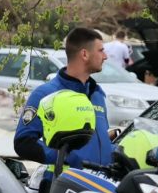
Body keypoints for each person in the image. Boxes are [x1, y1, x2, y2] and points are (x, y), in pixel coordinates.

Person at [14, 27, 115, 177]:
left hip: (100, 186)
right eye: (101, 51)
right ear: (85, 54)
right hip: (63, 184)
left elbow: (96, 143)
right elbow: (23, 143)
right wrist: (66, 157)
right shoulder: (46, 94)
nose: (105, 56)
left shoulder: (97, 94)